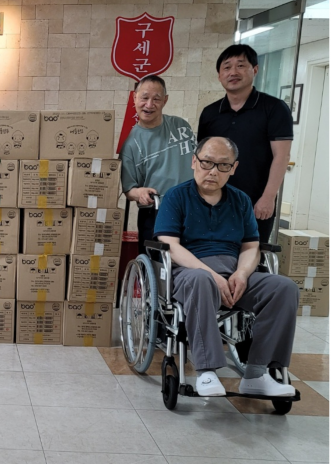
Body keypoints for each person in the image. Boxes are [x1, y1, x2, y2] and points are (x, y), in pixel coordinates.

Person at [154, 136, 298, 398]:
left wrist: (242, 274)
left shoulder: (241, 200)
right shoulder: (177, 196)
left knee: (284, 288)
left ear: (233, 168)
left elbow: (251, 246)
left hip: (235, 273)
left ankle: (256, 374)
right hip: (190, 272)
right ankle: (206, 371)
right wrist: (212, 275)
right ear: (194, 162)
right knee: (201, 280)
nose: (213, 171)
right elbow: (170, 245)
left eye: (223, 165)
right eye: (206, 162)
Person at [198, 44, 293, 243]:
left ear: (255, 69)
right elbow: (202, 161)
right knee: (211, 253)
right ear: (219, 75)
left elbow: (282, 156)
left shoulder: (274, 108)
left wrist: (268, 198)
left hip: (256, 202)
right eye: (227, 67)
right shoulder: (210, 113)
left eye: (240, 65)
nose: (233, 72)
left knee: (252, 255)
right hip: (214, 201)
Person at [120, 74, 196, 248]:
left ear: (165, 101)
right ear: (134, 98)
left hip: (192, 208)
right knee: (157, 261)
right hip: (156, 213)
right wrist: (140, 193)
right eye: (144, 98)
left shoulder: (181, 126)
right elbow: (129, 190)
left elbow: (197, 161)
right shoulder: (130, 145)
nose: (149, 105)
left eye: (156, 99)